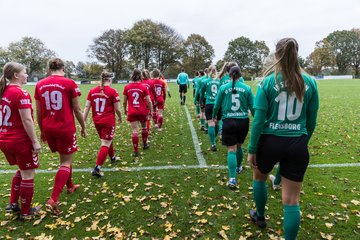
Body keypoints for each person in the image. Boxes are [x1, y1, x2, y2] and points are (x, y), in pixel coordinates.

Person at [247, 38, 319, 240]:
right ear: (297, 54)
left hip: (269, 142)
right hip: (297, 143)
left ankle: (260, 217)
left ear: (277, 55)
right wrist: (303, 141)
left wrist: (252, 148)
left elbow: (259, 120)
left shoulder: (268, 82)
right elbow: (311, 122)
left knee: (259, 179)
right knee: (292, 201)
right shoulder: (311, 83)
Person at [35, 58, 87, 215]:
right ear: (63, 68)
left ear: (49, 68)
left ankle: (70, 186)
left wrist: (42, 130)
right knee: (66, 161)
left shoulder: (40, 84)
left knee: (64, 158)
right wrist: (83, 126)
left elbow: (38, 111)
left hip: (48, 127)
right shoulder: (69, 83)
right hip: (64, 128)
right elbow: (77, 109)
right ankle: (53, 200)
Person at [0, 62, 41, 220]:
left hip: (4, 139)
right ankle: (25, 212)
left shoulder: (2, 91)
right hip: (19, 141)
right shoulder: (20, 93)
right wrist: (35, 141)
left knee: (22, 170)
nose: (27, 75)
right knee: (28, 174)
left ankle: (13, 204)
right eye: (25, 72)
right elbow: (27, 120)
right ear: (16, 75)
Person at [213, 66, 254, 189]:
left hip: (228, 121)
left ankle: (232, 179)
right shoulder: (247, 88)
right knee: (239, 146)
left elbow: (217, 105)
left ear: (229, 75)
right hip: (243, 122)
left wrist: (215, 116)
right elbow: (253, 107)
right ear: (240, 75)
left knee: (231, 149)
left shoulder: (223, 87)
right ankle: (239, 167)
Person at [83, 71, 122, 178]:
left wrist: (83, 122)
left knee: (107, 140)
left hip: (97, 121)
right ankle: (97, 168)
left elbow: (86, 107)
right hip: (108, 121)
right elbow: (117, 108)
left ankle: (112, 157)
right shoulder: (113, 91)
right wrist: (120, 117)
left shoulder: (92, 91)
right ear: (109, 79)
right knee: (105, 143)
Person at [123, 69, 153, 158]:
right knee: (144, 127)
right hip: (142, 111)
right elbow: (149, 101)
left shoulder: (127, 87)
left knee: (134, 131)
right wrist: (151, 111)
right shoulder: (143, 87)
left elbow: (124, 101)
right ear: (140, 76)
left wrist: (125, 110)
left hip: (132, 111)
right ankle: (144, 144)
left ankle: (136, 150)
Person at [199, 65, 220, 151]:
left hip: (209, 104)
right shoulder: (219, 81)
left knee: (211, 123)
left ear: (208, 71)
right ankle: (213, 138)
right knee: (217, 123)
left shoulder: (205, 81)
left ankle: (213, 143)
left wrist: (200, 102)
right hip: (218, 104)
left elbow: (201, 93)